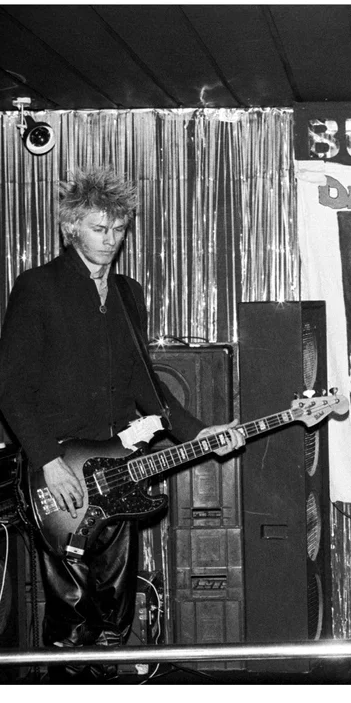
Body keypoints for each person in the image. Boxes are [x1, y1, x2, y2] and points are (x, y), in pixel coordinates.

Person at [0, 167, 245, 682]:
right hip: (60, 467)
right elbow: (10, 388)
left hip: (118, 466)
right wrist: (47, 461)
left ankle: (107, 682)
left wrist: (196, 431)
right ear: (72, 228)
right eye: (98, 229)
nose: (110, 240)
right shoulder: (38, 287)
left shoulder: (129, 292)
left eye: (118, 229)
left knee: (115, 604)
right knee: (70, 605)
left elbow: (144, 385)